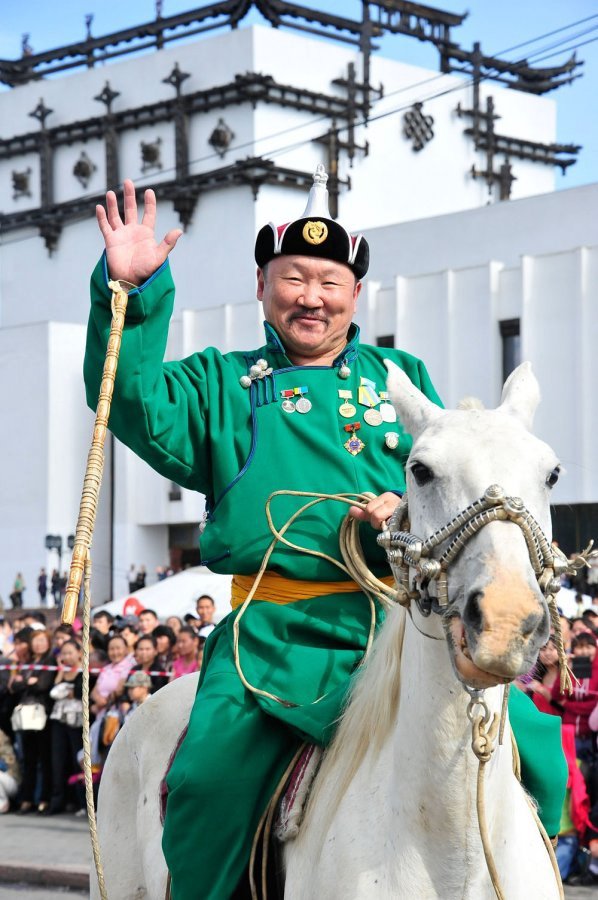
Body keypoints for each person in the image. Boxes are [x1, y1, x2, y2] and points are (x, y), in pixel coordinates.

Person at [85, 171, 566, 898]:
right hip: (275, 641)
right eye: (294, 278)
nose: (312, 297)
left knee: (542, 756)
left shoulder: (401, 377)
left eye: (330, 282)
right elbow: (128, 398)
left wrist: (400, 510)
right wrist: (133, 293)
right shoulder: (221, 385)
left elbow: (445, 490)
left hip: (398, 627)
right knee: (209, 785)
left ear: (355, 294)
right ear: (261, 287)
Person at [10, 629, 56, 813]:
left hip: (41, 715)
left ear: (48, 642)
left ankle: (43, 798)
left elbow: (43, 685)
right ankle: (27, 798)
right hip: (24, 715)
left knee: (43, 759)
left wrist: (27, 682)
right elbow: (14, 686)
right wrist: (28, 682)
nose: (38, 644)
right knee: (28, 759)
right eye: (35, 640)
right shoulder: (27, 662)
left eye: (42, 640)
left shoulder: (50, 661)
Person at [48, 640, 84, 814]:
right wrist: (61, 673)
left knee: (77, 760)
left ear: (79, 653)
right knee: (58, 760)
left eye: (70, 652)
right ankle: (57, 800)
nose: (67, 656)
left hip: (77, 721)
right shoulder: (60, 672)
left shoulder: (84, 671)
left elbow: (79, 692)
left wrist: (68, 692)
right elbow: (53, 692)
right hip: (59, 720)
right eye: (64, 653)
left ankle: (80, 801)